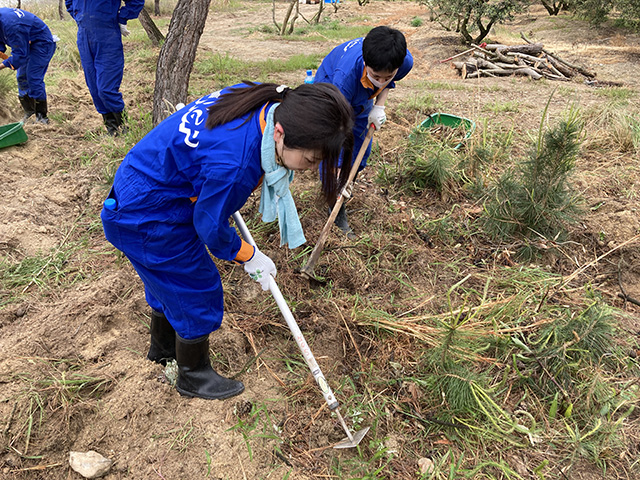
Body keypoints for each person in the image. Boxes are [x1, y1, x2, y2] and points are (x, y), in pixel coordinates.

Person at [101, 82, 354, 401]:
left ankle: (162, 352)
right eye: (309, 159)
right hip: (145, 213)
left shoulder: (263, 102)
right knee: (196, 285)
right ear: (279, 133)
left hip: (149, 183)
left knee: (167, 282)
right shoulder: (235, 165)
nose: (311, 168)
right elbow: (209, 225)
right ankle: (192, 375)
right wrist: (248, 254)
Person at [314, 25, 413, 237]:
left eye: (389, 76)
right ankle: (335, 200)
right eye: (377, 75)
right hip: (330, 90)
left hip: (362, 93)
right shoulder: (344, 78)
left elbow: (387, 82)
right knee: (334, 150)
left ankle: (346, 183)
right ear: (366, 63)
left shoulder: (403, 61)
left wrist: (380, 105)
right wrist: (337, 169)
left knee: (361, 148)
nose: (382, 81)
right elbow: (335, 130)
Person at [65, 0, 144, 136]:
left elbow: (136, 1)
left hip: (107, 34)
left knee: (106, 88)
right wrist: (78, 14)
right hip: (84, 35)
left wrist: (122, 17)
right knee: (94, 88)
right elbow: (69, 2)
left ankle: (123, 126)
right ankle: (111, 128)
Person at [0, 8, 56, 124]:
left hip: (41, 43)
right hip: (25, 44)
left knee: (33, 77)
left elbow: (20, 55)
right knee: (21, 77)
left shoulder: (12, 25)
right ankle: (29, 112)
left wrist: (2, 65)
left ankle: (42, 116)